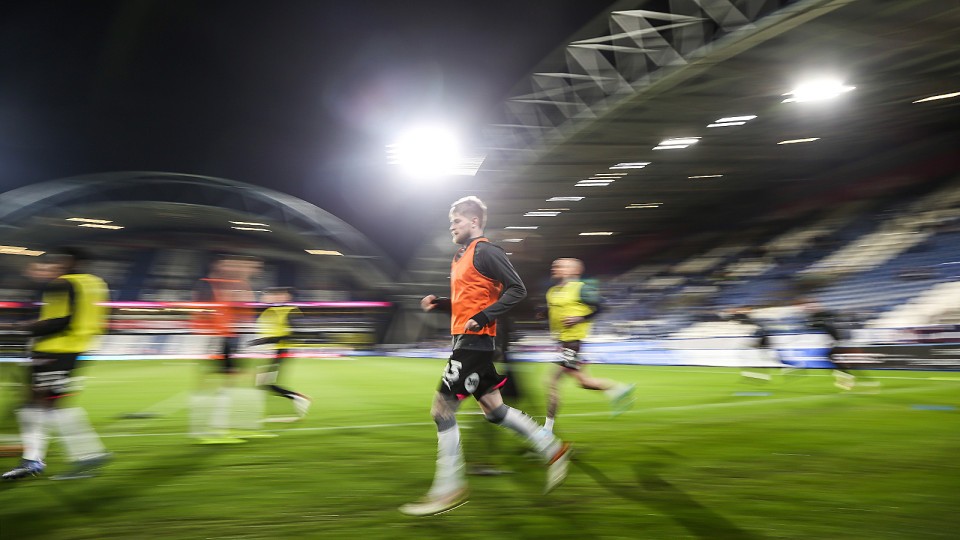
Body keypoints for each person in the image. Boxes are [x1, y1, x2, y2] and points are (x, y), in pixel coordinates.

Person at [400, 196, 571, 517]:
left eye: (457, 221)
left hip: (475, 343)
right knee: (494, 409)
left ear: (475, 222)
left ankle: (448, 488)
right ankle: (553, 449)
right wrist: (441, 303)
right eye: (451, 221)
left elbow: (516, 289)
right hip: (469, 341)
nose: (452, 226)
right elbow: (468, 302)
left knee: (441, 410)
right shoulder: (460, 257)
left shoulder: (486, 250)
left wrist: (485, 316)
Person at [1, 248, 111, 481]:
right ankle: (34, 459)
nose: (56, 266)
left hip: (54, 349)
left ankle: (86, 455)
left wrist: (21, 328)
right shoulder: (96, 283)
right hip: (76, 349)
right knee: (38, 403)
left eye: (60, 261)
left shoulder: (63, 283)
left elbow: (59, 320)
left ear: (72, 262)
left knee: (45, 405)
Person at [544, 258, 634, 434]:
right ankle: (618, 389)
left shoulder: (581, 289)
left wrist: (580, 318)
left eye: (561, 265)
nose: (555, 267)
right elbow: (553, 312)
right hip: (563, 343)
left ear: (573, 271)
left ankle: (547, 429)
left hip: (573, 343)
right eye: (554, 264)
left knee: (552, 381)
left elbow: (602, 306)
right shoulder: (552, 292)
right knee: (584, 382)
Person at [190, 254, 263, 443]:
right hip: (214, 338)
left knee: (230, 382)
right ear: (219, 265)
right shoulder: (208, 284)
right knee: (211, 384)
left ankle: (223, 427)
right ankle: (203, 431)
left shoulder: (236, 284)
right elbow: (202, 312)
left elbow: (243, 312)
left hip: (230, 337)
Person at [248, 287, 311, 420]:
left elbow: (292, 334)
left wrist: (262, 341)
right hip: (273, 351)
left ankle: (298, 398)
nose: (274, 297)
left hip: (281, 352)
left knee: (266, 384)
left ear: (286, 296)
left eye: (278, 294)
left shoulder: (290, 311)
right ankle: (296, 398)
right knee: (263, 384)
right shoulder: (274, 310)